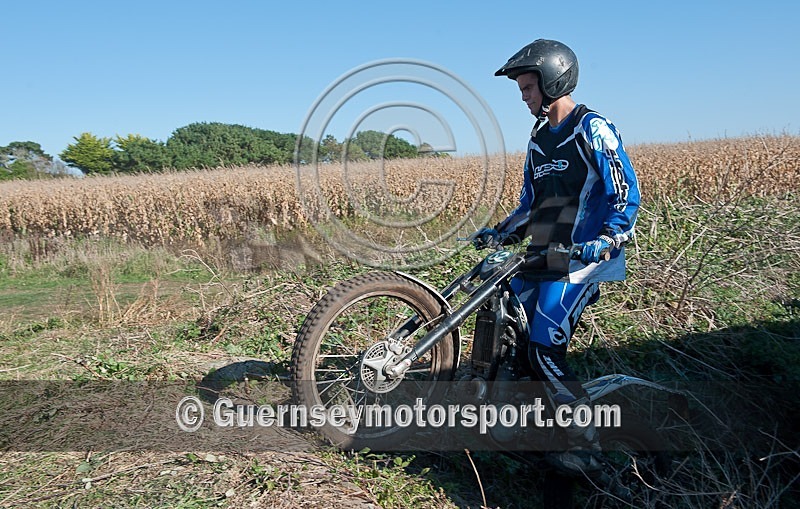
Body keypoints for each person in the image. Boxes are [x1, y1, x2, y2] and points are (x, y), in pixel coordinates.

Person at [473, 38, 640, 474]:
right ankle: (528, 426)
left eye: (528, 88)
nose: (524, 97)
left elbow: (624, 192)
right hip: (542, 255)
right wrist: (500, 232)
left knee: (544, 348)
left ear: (553, 81)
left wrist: (610, 238)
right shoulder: (538, 138)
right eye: (522, 90)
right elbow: (530, 205)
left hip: (583, 261)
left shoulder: (592, 128)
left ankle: (586, 445)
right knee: (511, 334)